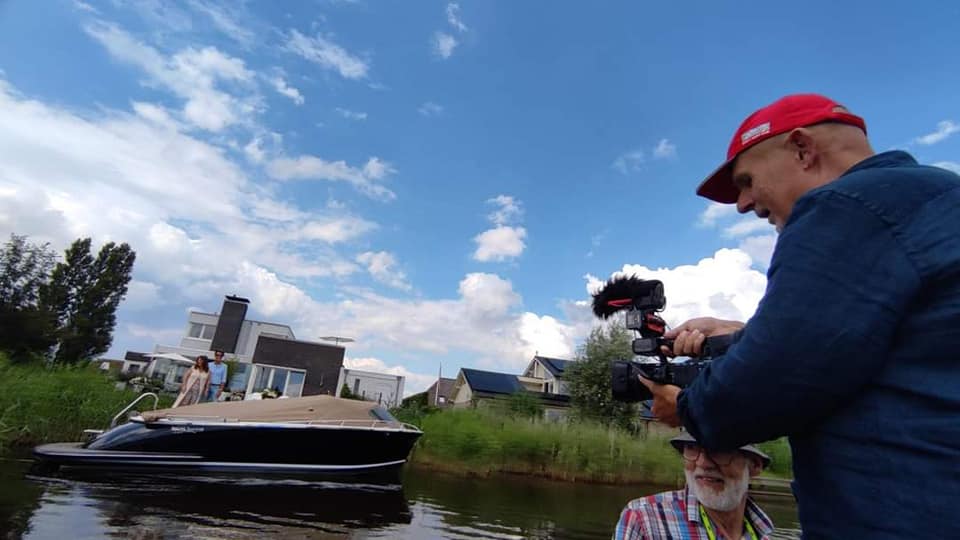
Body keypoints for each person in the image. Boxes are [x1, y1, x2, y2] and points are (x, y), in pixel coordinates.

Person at [640, 94, 960, 538]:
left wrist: (684, 406)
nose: (743, 204)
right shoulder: (938, 199)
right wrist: (743, 336)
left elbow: (767, 384)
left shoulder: (846, 205)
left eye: (748, 180)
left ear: (802, 150)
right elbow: (884, 341)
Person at [613, 432, 775, 540]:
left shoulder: (762, 534)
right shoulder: (644, 519)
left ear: (754, 465)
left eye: (719, 449)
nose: (703, 463)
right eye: (692, 448)